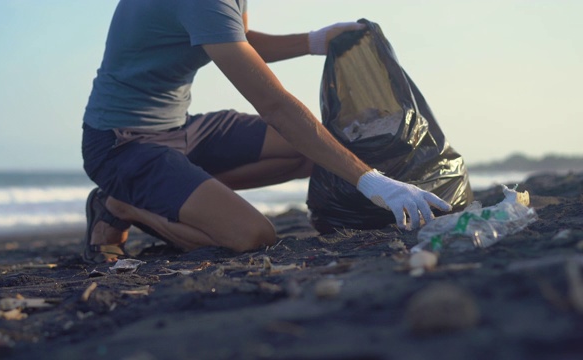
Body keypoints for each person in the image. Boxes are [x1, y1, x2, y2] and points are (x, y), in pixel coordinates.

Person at [81, 0, 451, 264]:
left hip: (183, 129)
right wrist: (372, 181)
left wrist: (313, 42)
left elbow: (236, 36)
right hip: (122, 145)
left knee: (313, 149)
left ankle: (183, 189)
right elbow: (275, 107)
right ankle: (121, 204)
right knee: (251, 237)